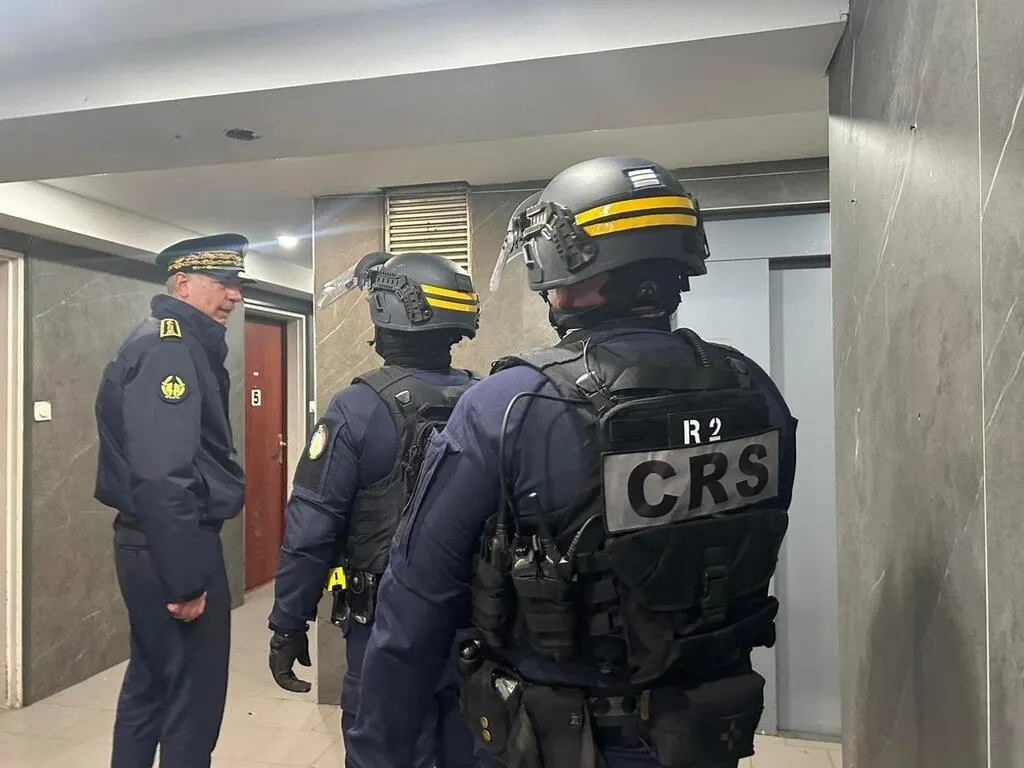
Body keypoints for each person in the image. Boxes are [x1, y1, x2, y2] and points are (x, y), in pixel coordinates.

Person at [345, 156, 799, 768]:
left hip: (561, 740)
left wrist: (379, 752)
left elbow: (416, 602)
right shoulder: (754, 387)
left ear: (574, 261)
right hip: (706, 730)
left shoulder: (510, 404)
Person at [267, 251, 482, 767]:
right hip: (477, 626)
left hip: (386, 628)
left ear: (386, 315)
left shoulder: (356, 408)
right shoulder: (488, 400)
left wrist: (289, 620)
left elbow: (311, 529)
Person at [94, 235, 250, 767]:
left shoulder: (175, 343)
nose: (234, 295)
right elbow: (163, 474)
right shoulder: (170, 350)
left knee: (152, 686)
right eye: (222, 283)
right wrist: (185, 580)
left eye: (237, 284)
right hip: (172, 542)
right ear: (182, 284)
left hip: (154, 539)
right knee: (191, 703)